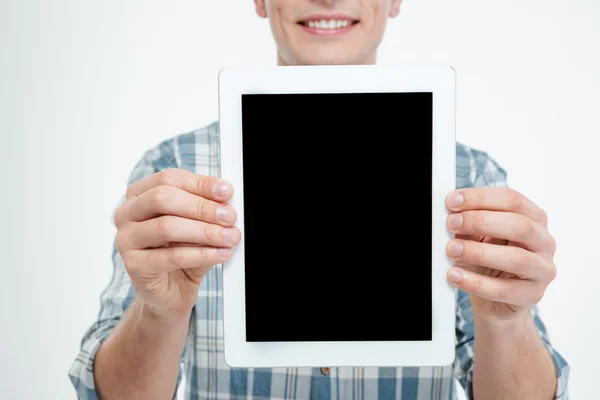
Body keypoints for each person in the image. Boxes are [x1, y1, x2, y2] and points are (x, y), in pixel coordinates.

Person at [69, 1, 570, 399]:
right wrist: (159, 315)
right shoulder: (173, 174)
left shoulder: (470, 179)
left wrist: (505, 323)